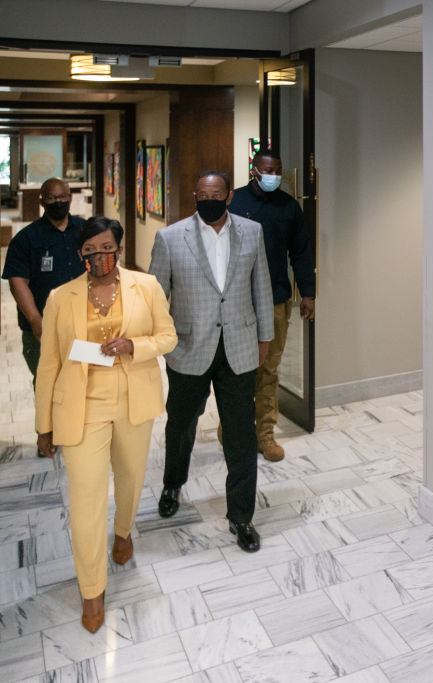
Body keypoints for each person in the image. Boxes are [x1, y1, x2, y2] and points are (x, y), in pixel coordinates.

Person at [35, 216, 177, 633]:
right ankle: (92, 590)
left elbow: (168, 337)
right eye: (90, 250)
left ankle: (124, 530)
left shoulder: (145, 287)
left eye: (106, 247)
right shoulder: (61, 297)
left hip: (135, 397)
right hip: (82, 405)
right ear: (79, 254)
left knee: (131, 479)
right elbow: (49, 364)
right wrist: (43, 423)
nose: (99, 256)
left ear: (118, 246)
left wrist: (135, 344)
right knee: (86, 500)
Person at [149, 170, 274, 553]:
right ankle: (173, 483)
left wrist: (264, 337)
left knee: (241, 434)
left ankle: (241, 517)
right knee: (181, 424)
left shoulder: (251, 233)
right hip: (188, 348)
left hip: (238, 347)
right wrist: (163, 344)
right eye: (203, 194)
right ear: (193, 196)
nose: (210, 199)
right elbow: (156, 297)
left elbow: (262, 286)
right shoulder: (170, 238)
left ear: (229, 196)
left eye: (216, 193)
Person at [228, 149, 315, 461]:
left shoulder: (289, 207)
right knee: (237, 370)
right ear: (254, 169)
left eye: (276, 170)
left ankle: (265, 434)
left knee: (268, 369)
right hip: (237, 301)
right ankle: (236, 431)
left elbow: (301, 252)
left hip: (276, 299)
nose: (272, 176)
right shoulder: (233, 202)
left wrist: (307, 293)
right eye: (267, 170)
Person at [3, 178, 86, 385]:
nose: (58, 202)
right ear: (42, 202)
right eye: (51, 198)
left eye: (62, 197)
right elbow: (17, 281)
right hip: (42, 328)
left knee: (83, 381)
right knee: (47, 384)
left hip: (83, 322)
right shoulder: (25, 239)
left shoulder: (85, 231)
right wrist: (34, 319)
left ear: (70, 198)